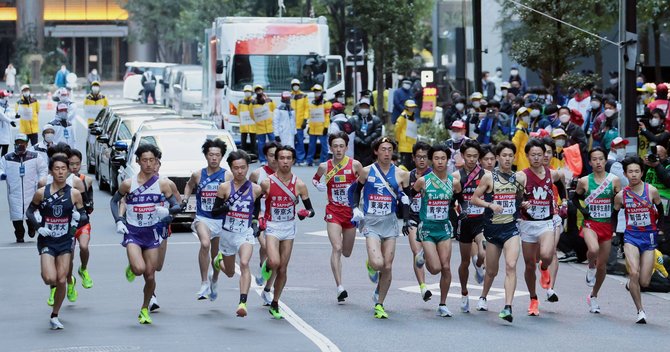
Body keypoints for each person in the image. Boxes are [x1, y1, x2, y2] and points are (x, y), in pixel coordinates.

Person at [110, 144, 180, 324]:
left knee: (150, 274)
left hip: (152, 233)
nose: (148, 164)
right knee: (139, 269)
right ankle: (133, 265)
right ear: (138, 161)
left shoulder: (163, 184)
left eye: (152, 160)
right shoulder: (128, 184)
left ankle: (144, 308)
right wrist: (119, 220)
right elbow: (114, 201)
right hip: (133, 232)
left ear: (156, 161)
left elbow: (176, 205)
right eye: (144, 160)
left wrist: (169, 213)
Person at [351, 137, 411, 319]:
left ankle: (379, 303)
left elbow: (406, 199)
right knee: (378, 263)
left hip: (390, 222)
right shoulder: (367, 171)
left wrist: (407, 220)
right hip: (371, 221)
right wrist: (355, 208)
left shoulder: (401, 174)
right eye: (383, 149)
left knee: (388, 265)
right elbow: (355, 190)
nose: (387, 153)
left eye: (390, 149)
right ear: (376, 151)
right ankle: (370, 263)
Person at [26, 155, 87, 329]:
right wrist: (38, 227)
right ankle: (51, 286)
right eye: (57, 169)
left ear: (68, 170)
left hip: (65, 242)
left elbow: (84, 216)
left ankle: (55, 315)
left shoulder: (74, 193)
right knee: (49, 278)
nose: (60, 172)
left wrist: (77, 219)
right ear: (51, 171)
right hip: (47, 240)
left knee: (61, 279)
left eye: (63, 169)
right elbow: (30, 212)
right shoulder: (42, 192)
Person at [470, 141, 523, 323]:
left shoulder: (519, 178)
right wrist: (489, 204)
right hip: (492, 230)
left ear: (514, 158)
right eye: (504, 156)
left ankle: (507, 307)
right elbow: (474, 199)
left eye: (510, 156)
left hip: (511, 229)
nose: (507, 159)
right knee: (492, 271)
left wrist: (523, 205)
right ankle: (483, 296)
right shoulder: (488, 178)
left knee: (511, 265)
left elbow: (520, 199)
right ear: (498, 158)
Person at [259, 145, 315, 318]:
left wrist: (305, 213)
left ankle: (275, 302)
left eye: (288, 158)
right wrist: (258, 218)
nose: (284, 161)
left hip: (289, 227)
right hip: (272, 226)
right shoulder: (267, 182)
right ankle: (266, 265)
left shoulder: (299, 185)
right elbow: (256, 203)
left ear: (293, 160)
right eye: (281, 158)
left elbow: (311, 210)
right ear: (276, 160)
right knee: (274, 262)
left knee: (283, 268)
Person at [210, 150, 263, 317]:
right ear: (231, 169)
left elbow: (256, 211)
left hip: (244, 233)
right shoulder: (224, 188)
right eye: (236, 168)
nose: (240, 171)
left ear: (248, 167)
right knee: (231, 272)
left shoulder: (256, 189)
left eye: (243, 168)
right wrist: (224, 208)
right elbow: (214, 212)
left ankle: (242, 302)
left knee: (245, 263)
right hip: (227, 234)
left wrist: (255, 224)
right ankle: (218, 262)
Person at [312, 132, 363, 302]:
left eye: (342, 146)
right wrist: (318, 185)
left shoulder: (355, 165)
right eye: (335, 146)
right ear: (331, 148)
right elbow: (315, 179)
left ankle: (369, 265)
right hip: (333, 211)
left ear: (347, 148)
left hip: (350, 213)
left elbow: (364, 184)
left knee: (347, 252)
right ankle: (340, 287)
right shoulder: (324, 167)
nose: (339, 149)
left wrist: (360, 207)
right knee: (337, 247)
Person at [517, 139, 565, 316]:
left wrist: (565, 201)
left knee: (546, 255)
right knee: (529, 265)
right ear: (527, 156)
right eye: (533, 155)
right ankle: (533, 299)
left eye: (540, 154)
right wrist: (522, 203)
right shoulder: (521, 176)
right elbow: (514, 198)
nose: (537, 158)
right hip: (528, 223)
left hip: (546, 222)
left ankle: (544, 269)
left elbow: (562, 180)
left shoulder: (552, 174)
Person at [613, 156, 664, 323]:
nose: (633, 175)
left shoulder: (652, 191)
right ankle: (640, 311)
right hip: (631, 236)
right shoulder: (621, 196)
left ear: (642, 172)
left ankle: (631, 284)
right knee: (633, 272)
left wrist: (661, 228)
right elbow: (615, 214)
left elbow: (660, 209)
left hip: (648, 237)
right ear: (626, 174)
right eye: (630, 172)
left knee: (644, 281)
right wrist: (614, 232)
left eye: (637, 171)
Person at [572, 147, 621, 313]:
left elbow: (618, 203)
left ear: (605, 160)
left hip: (606, 225)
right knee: (593, 249)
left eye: (601, 159)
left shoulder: (614, 180)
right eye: (594, 159)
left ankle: (593, 296)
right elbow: (575, 198)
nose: (598, 162)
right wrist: (583, 210)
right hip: (590, 224)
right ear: (590, 162)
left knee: (603, 266)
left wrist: (614, 225)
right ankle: (590, 266)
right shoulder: (584, 181)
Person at [182, 138, 231, 300]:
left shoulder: (227, 175)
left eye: (217, 155)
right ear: (206, 156)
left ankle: (214, 280)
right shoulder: (198, 174)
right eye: (211, 154)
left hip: (221, 220)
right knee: (205, 243)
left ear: (222, 156)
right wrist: (185, 199)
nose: (214, 158)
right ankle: (203, 282)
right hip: (203, 218)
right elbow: (189, 185)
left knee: (216, 255)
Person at [412, 144, 458, 317]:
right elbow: (412, 196)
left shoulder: (454, 183)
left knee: (446, 267)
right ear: (432, 161)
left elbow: (458, 200)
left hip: (444, 227)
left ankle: (443, 304)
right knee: (435, 268)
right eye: (437, 158)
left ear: (448, 160)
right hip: (427, 229)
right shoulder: (423, 181)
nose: (440, 162)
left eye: (443, 158)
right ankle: (422, 255)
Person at [452, 139, 487, 313]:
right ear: (462, 156)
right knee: (464, 261)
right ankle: (464, 293)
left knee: (483, 252)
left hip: (481, 220)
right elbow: (451, 200)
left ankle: (480, 265)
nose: (472, 159)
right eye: (468, 156)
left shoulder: (486, 175)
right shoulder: (456, 176)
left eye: (475, 156)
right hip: (464, 221)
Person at [0, 133, 47, 242]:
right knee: (16, 214)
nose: (20, 145)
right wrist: (2, 174)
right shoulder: (7, 158)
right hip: (14, 191)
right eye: (18, 143)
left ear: (27, 144)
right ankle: (19, 234)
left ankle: (31, 227)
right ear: (14, 144)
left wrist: (42, 180)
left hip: (31, 190)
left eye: (23, 143)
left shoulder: (34, 156)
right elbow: (1, 168)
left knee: (30, 212)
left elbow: (43, 169)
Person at [249, 142, 280, 305]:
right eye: (270, 155)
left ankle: (267, 286)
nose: (274, 159)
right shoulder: (257, 174)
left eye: (277, 155)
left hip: (279, 219)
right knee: (268, 249)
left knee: (275, 258)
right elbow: (249, 194)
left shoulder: (285, 173)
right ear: (265, 156)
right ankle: (264, 270)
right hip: (261, 217)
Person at [406, 142, 434, 303]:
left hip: (430, 220)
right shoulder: (408, 176)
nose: (422, 160)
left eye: (424, 157)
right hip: (412, 218)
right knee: (417, 254)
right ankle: (423, 287)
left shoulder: (434, 177)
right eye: (419, 157)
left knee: (431, 261)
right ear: (413, 158)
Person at [68, 149, 95, 290]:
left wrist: (88, 206)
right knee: (69, 256)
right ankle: (70, 280)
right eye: (71, 164)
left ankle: (83, 269)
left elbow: (89, 200)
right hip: (67, 225)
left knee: (84, 247)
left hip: (83, 221)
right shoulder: (62, 181)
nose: (74, 167)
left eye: (77, 164)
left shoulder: (87, 180)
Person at [351, 98, 383, 167]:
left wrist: (369, 139)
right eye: (362, 107)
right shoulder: (353, 119)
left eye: (366, 107)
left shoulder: (375, 119)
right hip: (357, 149)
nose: (364, 108)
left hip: (370, 148)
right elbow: (350, 131)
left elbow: (378, 131)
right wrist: (357, 140)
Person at [306, 84, 331, 166]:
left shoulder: (326, 103)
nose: (316, 94)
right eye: (315, 92)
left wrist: (326, 127)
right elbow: (311, 116)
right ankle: (309, 161)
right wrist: (309, 127)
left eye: (318, 92)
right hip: (313, 128)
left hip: (321, 128)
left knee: (324, 147)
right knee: (311, 146)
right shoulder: (312, 103)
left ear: (321, 92)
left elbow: (327, 116)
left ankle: (323, 162)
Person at [251, 85, 275, 166]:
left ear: (262, 90)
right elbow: (251, 114)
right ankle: (262, 160)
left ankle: (274, 158)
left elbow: (273, 110)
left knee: (273, 143)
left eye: (260, 90)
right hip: (260, 126)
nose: (259, 92)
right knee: (261, 143)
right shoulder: (253, 102)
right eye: (257, 91)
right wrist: (257, 121)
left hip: (269, 125)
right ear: (255, 92)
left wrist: (271, 119)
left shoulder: (269, 100)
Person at [395, 100, 419, 170]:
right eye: (410, 107)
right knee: (404, 165)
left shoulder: (412, 116)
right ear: (406, 107)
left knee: (411, 165)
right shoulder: (403, 117)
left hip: (411, 145)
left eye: (413, 107)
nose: (412, 109)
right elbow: (397, 129)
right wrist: (397, 141)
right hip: (404, 144)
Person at [290, 79, 309, 166]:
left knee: (300, 142)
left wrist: (305, 120)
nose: (295, 86)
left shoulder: (304, 96)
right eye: (294, 85)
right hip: (291, 124)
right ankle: (292, 159)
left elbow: (306, 108)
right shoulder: (290, 96)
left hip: (300, 123)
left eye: (297, 84)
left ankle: (300, 159)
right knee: (291, 142)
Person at [238, 85, 257, 154]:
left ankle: (254, 153)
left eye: (248, 91)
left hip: (252, 124)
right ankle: (243, 153)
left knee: (253, 141)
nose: (247, 93)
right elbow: (238, 112)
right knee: (243, 141)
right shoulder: (241, 102)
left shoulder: (254, 101)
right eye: (246, 91)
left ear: (251, 92)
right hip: (244, 124)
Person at [0, 89, 15, 156]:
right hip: (1, 130)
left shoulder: (7, 105)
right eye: (6, 96)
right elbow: (1, 115)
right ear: (1, 97)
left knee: (5, 149)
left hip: (6, 131)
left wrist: (15, 115)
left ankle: (2, 164)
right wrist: (10, 121)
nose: (7, 97)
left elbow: (10, 114)